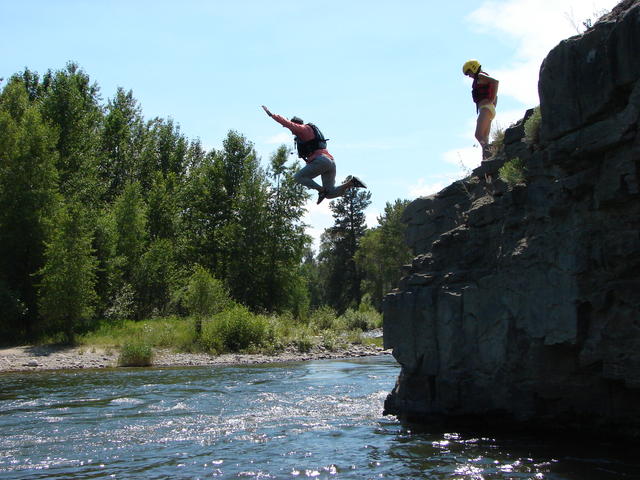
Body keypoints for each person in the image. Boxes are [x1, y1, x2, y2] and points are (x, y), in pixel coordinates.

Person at [262, 105, 366, 204]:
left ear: (297, 125)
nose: (292, 132)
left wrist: (272, 115)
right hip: (330, 161)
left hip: (321, 160)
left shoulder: (303, 128)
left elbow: (287, 123)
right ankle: (351, 183)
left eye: (293, 130)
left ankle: (321, 190)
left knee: (298, 177)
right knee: (330, 194)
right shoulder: (308, 131)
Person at [463, 60, 499, 160]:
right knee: (485, 138)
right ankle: (487, 158)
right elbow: (494, 93)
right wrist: (493, 104)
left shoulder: (480, 76)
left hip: (485, 109)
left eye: (469, 72)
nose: (469, 76)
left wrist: (491, 100)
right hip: (488, 109)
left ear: (473, 68)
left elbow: (495, 82)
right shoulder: (481, 77)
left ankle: (490, 150)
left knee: (478, 135)